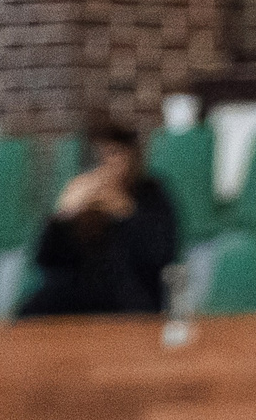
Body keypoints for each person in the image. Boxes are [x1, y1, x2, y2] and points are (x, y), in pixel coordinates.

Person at [16, 122, 181, 318]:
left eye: (115, 153)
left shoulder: (150, 193)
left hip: (130, 292)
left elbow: (160, 256)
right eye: (100, 156)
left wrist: (125, 212)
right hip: (77, 293)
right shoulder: (83, 194)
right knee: (30, 312)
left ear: (131, 156)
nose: (108, 163)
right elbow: (46, 259)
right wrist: (64, 214)